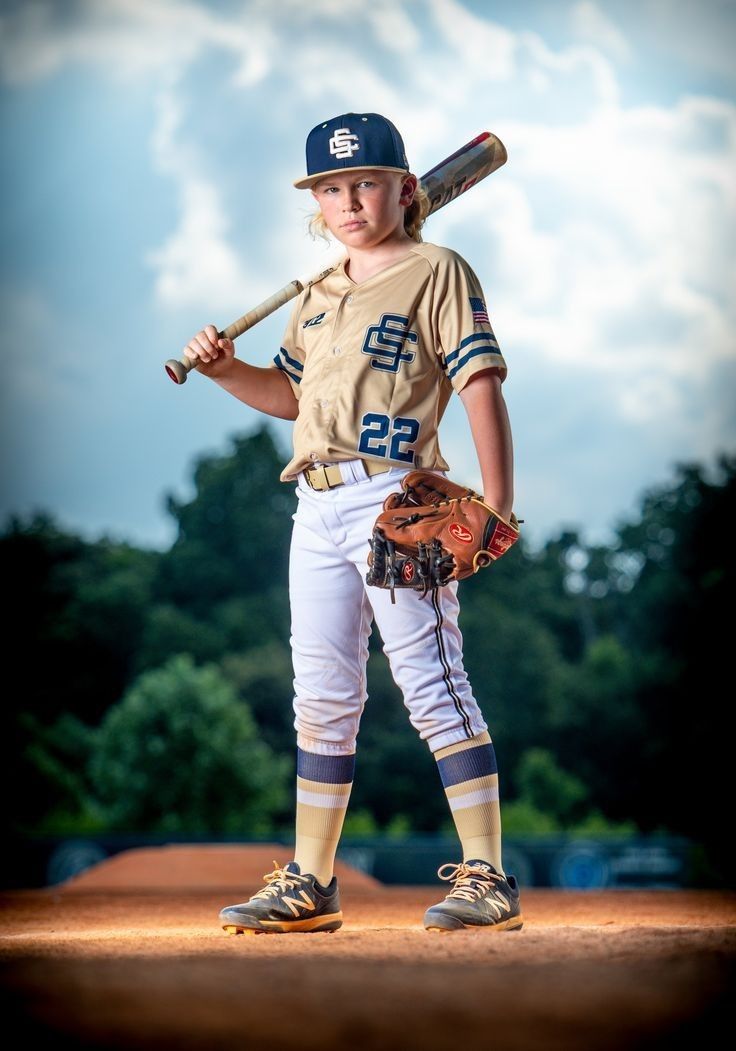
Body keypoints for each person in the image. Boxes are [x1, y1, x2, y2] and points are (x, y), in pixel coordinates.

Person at [182, 112, 523, 934]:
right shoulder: (317, 293)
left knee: (431, 683)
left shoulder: (437, 270)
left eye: (365, 182)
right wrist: (230, 371)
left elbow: (479, 384)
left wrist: (496, 503)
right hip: (315, 500)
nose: (348, 200)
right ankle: (312, 878)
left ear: (406, 190)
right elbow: (290, 399)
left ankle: (488, 874)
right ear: (316, 202)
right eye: (330, 188)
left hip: (396, 499)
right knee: (322, 695)